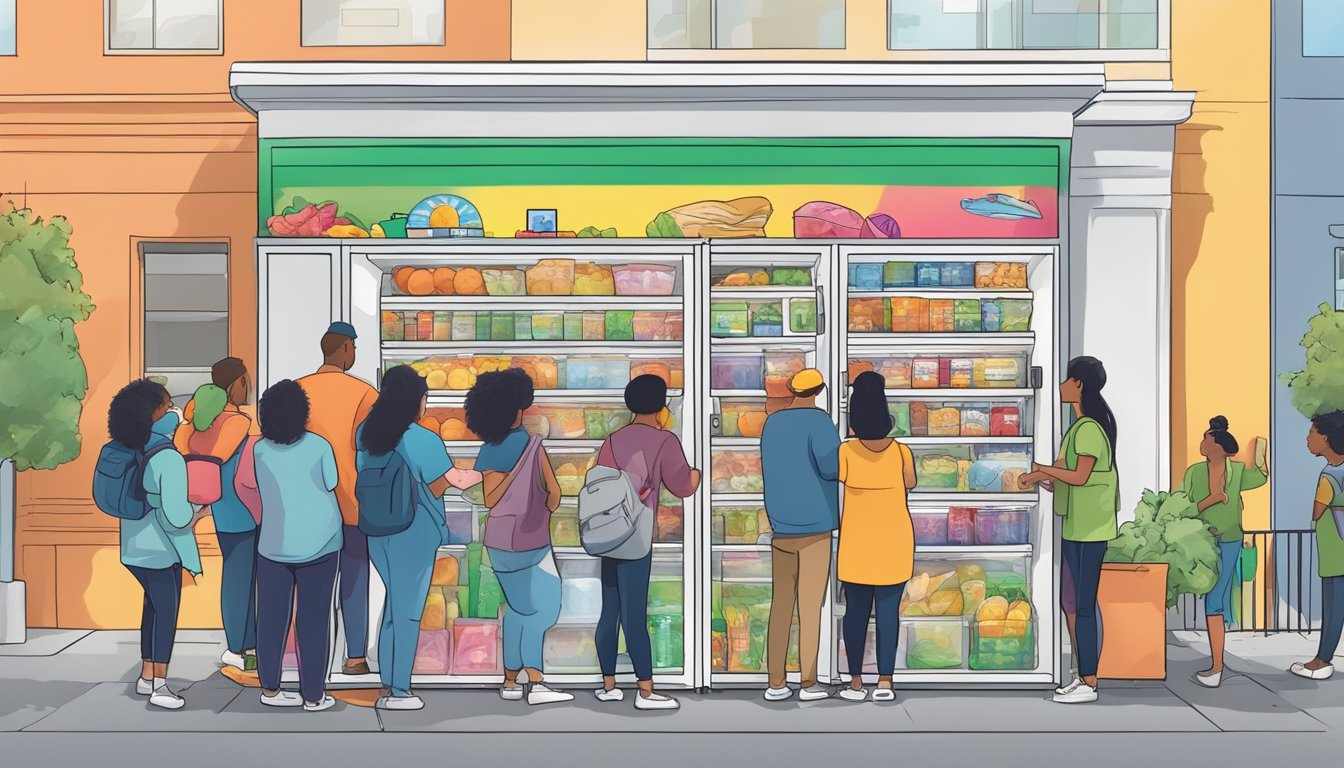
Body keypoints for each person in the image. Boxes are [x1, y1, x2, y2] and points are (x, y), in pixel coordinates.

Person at [357, 366, 480, 711]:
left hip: (378, 531)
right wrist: (488, 471)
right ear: (416, 400)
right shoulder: (423, 438)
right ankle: (399, 691)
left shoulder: (367, 433)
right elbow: (454, 480)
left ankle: (387, 681)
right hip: (414, 531)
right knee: (408, 612)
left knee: (393, 608)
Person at [592, 375, 700, 711]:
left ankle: (609, 685)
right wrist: (696, 471)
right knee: (635, 616)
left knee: (610, 612)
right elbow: (683, 485)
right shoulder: (664, 441)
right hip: (637, 537)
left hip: (608, 534)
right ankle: (646, 691)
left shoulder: (612, 439)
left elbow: (601, 484)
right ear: (661, 406)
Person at [467, 368, 572, 706]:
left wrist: (508, 477)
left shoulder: (487, 450)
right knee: (542, 610)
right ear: (518, 408)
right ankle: (537, 682)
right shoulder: (531, 445)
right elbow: (554, 495)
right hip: (532, 539)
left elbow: (490, 498)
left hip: (498, 543)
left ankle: (510, 680)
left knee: (516, 609)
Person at [1020, 356, 1119, 705]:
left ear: (1079, 384)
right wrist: (1041, 477)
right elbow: (1067, 473)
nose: (1061, 386)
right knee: (1071, 602)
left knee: (1084, 605)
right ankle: (1082, 673)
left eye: (1066, 380)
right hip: (1078, 524)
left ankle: (1089, 680)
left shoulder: (1090, 427)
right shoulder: (1079, 426)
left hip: (1091, 528)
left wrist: (1040, 470)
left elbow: (1079, 476)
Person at [247, 380, 342, 712]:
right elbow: (331, 482)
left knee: (272, 617)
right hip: (321, 543)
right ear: (303, 413)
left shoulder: (258, 449)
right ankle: (314, 695)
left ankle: (270, 689)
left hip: (273, 544)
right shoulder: (319, 446)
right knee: (313, 619)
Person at [109, 379, 204, 710]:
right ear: (151, 414)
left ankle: (146, 675)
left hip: (133, 547)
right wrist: (199, 510)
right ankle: (161, 686)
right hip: (163, 550)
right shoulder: (168, 457)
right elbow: (178, 518)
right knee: (165, 612)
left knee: (150, 608)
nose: (175, 412)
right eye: (167, 407)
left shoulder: (128, 447)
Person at [297, 322, 379, 676]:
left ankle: (314, 661)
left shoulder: (298, 390)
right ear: (345, 348)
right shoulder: (364, 394)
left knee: (312, 588)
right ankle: (355, 657)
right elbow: (371, 448)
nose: (355, 354)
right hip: (353, 505)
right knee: (354, 580)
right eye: (354, 348)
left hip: (308, 506)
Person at [760, 368, 840, 703]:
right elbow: (832, 468)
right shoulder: (819, 422)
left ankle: (775, 682)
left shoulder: (772, 424)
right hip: (815, 527)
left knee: (781, 606)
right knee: (809, 607)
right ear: (819, 390)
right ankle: (808, 683)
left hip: (781, 528)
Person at [836, 371, 916, 703]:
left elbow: (836, 480)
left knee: (855, 614)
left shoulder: (845, 452)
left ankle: (855, 681)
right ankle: (885, 681)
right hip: (894, 544)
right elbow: (910, 483)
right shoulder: (901, 452)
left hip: (856, 545)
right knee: (887, 614)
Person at [174, 358, 257, 672]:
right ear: (236, 383)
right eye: (244, 382)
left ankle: (242, 645)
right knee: (244, 580)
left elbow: (185, 451)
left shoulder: (193, 422)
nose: (247, 388)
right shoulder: (236, 421)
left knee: (237, 577)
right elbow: (223, 456)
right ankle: (240, 647)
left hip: (220, 507)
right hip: (245, 506)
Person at [1180, 416, 1268, 687]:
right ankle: (1216, 665)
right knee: (1211, 598)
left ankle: (1216, 667)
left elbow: (1262, 478)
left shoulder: (1238, 472)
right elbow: (1184, 509)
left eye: (1206, 439)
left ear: (1218, 445)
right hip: (1201, 542)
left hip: (1229, 542)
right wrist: (1212, 499)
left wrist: (1261, 449)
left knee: (1215, 600)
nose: (1202, 443)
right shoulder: (1194, 472)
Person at [1291, 411, 1344, 681]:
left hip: (1336, 553)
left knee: (1334, 608)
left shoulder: (1330, 475)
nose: (1308, 439)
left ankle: (1322, 661)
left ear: (1326, 438)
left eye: (1312, 433)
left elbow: (1316, 512)